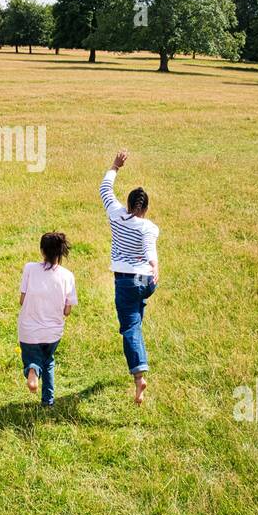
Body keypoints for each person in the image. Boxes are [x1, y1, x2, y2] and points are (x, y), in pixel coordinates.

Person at [100, 150, 159, 404]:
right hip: (146, 281)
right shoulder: (149, 227)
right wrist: (155, 267)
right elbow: (149, 252)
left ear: (128, 203)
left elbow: (104, 188)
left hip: (125, 280)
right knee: (135, 320)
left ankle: (139, 375)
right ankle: (138, 353)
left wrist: (115, 165)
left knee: (130, 328)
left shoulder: (115, 213)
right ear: (145, 207)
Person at [17, 232, 77, 407]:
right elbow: (67, 310)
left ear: (42, 251)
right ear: (61, 252)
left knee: (33, 359)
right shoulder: (68, 276)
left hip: (29, 330)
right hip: (53, 332)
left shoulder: (29, 268)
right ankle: (48, 401)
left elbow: (22, 299)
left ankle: (33, 371)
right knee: (49, 361)